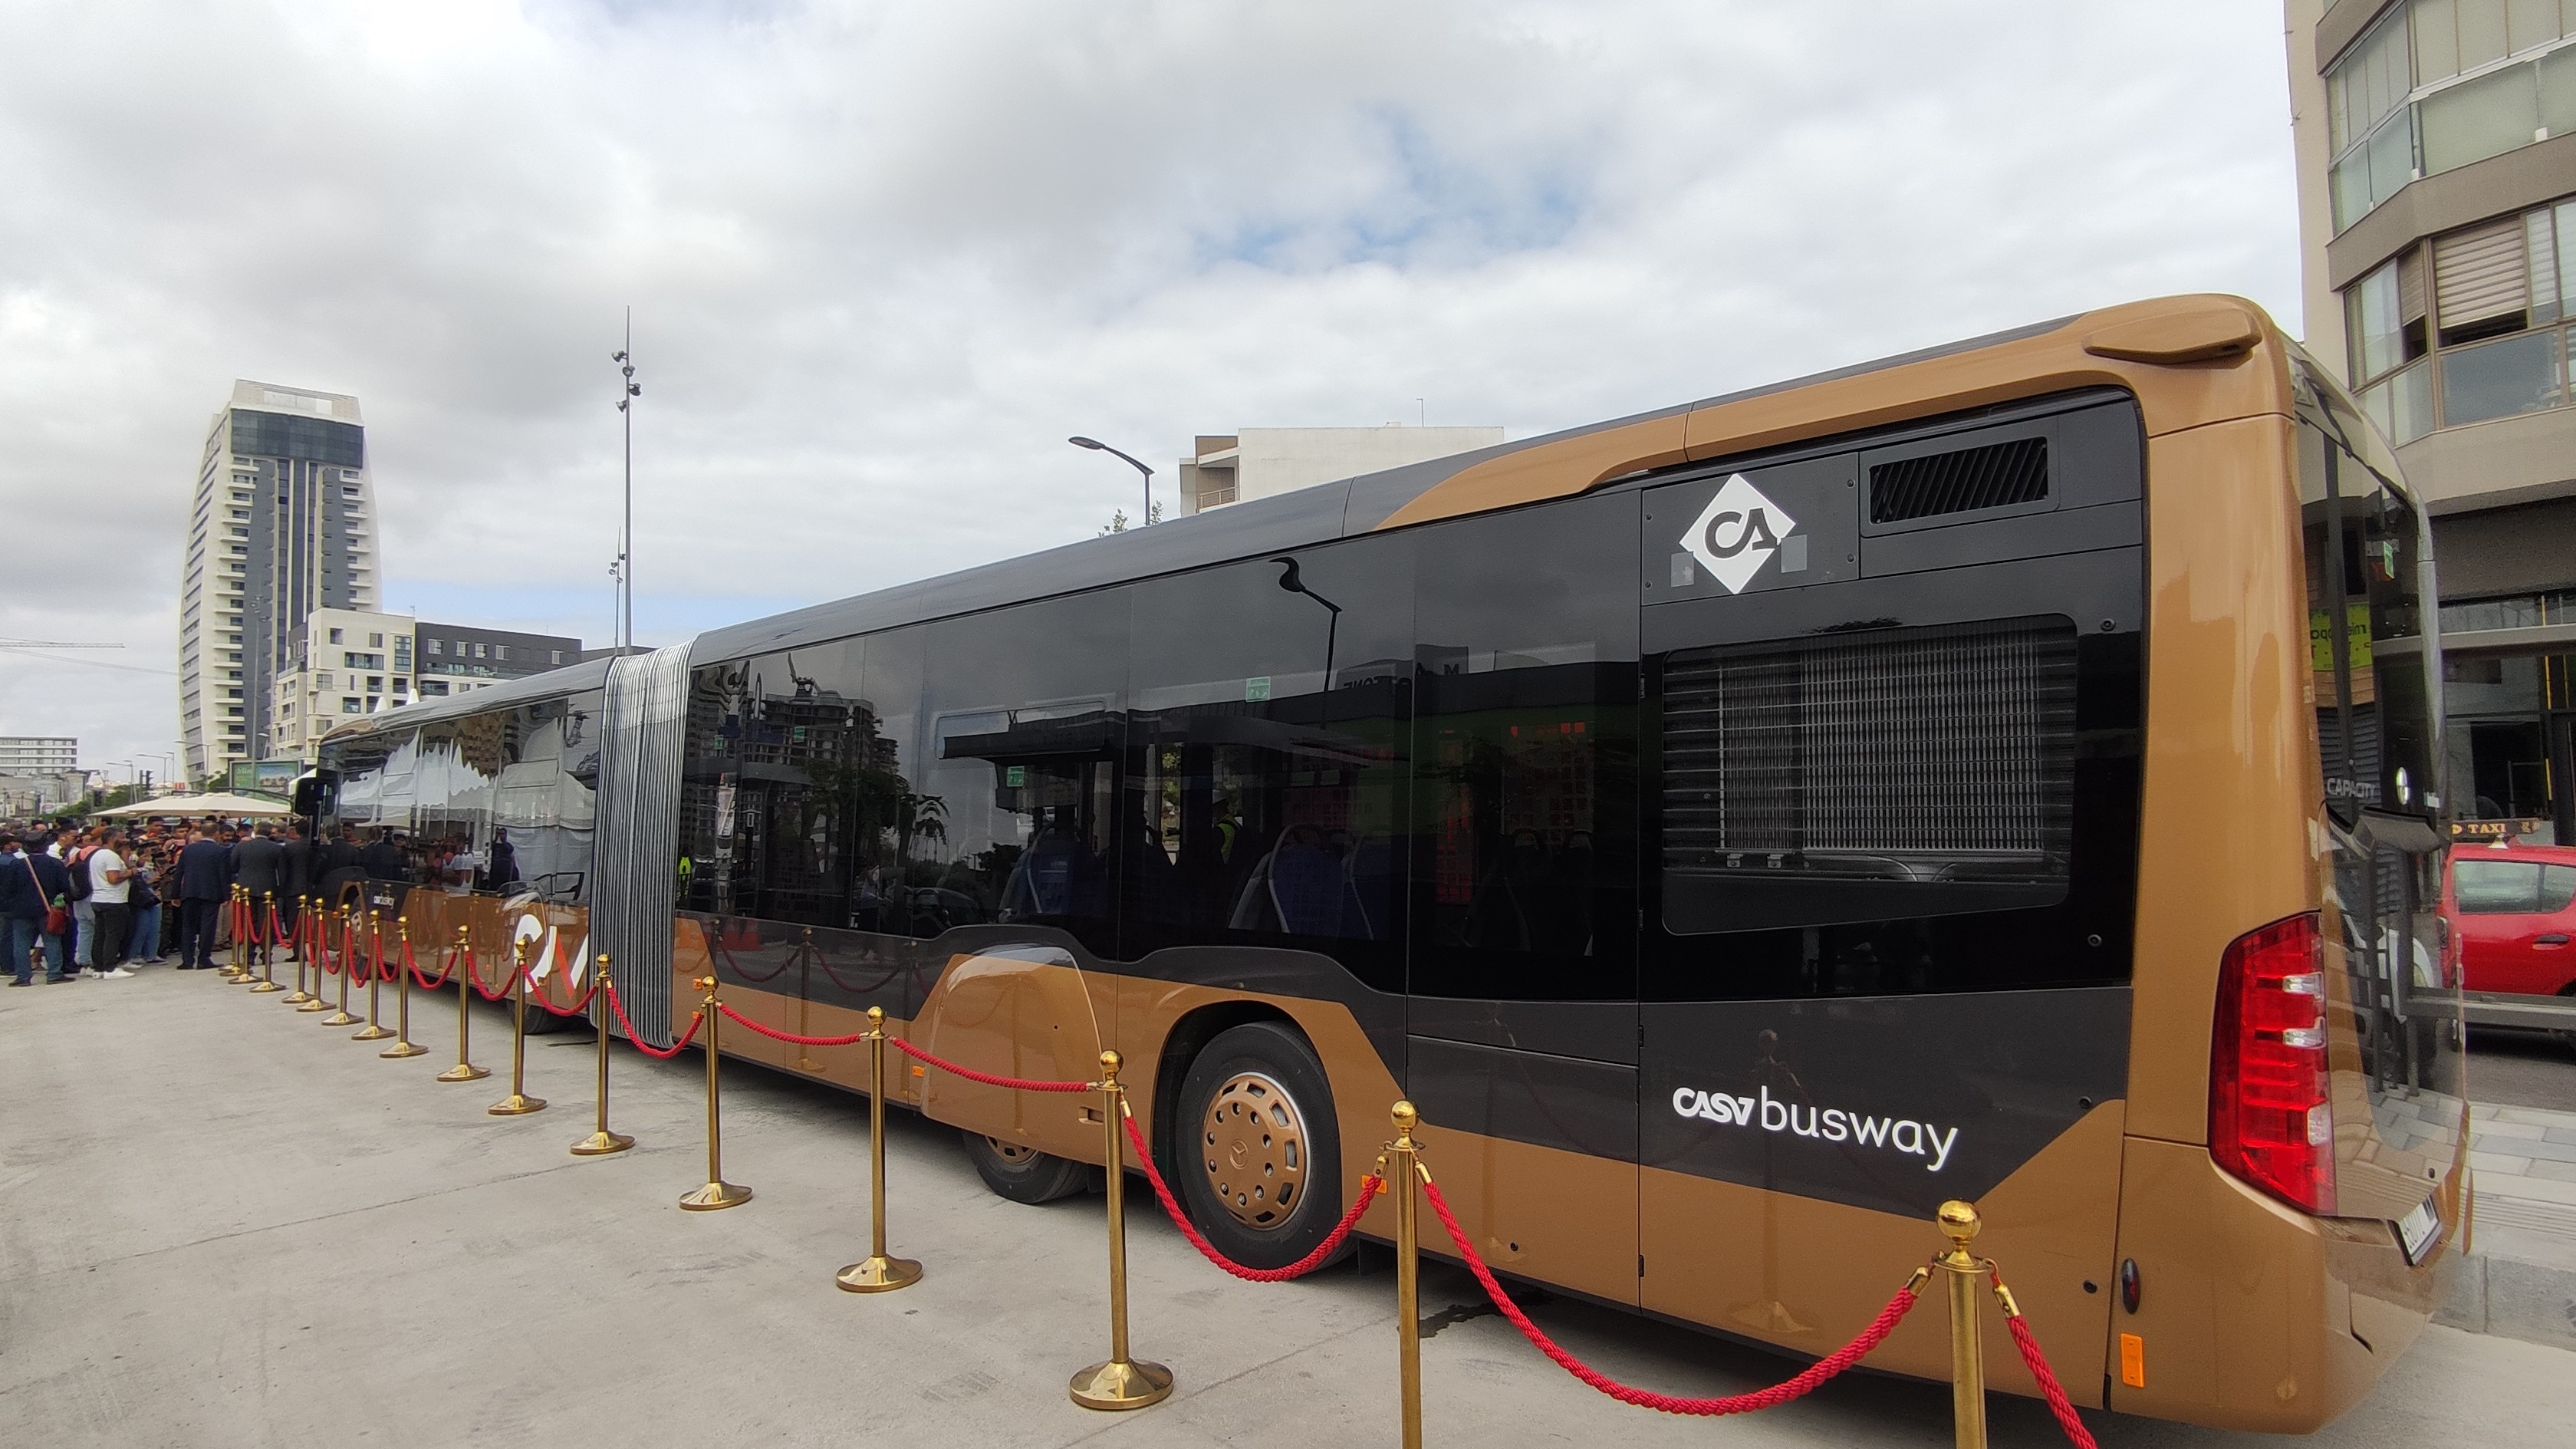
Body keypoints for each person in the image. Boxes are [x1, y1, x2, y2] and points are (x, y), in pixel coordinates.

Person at [3, 834, 73, 985]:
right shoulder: (54, 863)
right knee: (52, 941)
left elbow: (7, 889)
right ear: (46, 846)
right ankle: (54, 973)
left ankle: (23, 977)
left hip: (21, 910)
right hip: (48, 908)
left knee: (21, 944)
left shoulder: (17, 865)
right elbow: (64, 886)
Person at [173, 825, 232, 970]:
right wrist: (226, 895)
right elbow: (223, 875)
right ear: (216, 833)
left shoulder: (188, 850)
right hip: (211, 893)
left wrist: (175, 893)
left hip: (190, 891)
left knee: (188, 926)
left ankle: (187, 960)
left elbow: (179, 872)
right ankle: (204, 958)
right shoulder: (221, 851)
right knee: (208, 926)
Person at [231, 824, 284, 967]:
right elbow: (282, 871)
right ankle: (266, 954)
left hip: (245, 887)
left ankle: (248, 955)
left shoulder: (242, 846)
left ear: (255, 832)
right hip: (268, 888)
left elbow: (232, 865)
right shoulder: (276, 848)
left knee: (248, 922)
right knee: (266, 923)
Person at [86, 828, 136, 978]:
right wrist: (130, 872)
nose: (125, 840)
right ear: (113, 839)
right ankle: (110, 967)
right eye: (122, 837)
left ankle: (99, 967)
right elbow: (113, 878)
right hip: (113, 900)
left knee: (100, 935)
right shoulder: (111, 856)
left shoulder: (97, 855)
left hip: (99, 898)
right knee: (113, 935)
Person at [278, 824, 312, 955]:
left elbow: (283, 872)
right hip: (314, 889)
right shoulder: (317, 847)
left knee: (293, 921)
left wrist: (281, 889)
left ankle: (298, 951)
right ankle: (313, 950)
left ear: (297, 832)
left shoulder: (290, 849)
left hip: (293, 888)